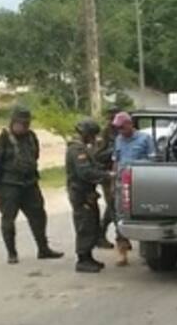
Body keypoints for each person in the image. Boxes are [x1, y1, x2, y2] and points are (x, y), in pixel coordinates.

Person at [0, 106, 64, 265]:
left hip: (29, 184)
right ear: (13, 122)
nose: (23, 126)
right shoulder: (1, 140)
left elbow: (35, 155)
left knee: (39, 216)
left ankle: (43, 248)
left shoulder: (31, 137)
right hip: (9, 186)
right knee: (8, 219)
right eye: (20, 123)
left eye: (26, 123)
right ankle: (12, 253)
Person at [110, 112, 156, 266]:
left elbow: (153, 160)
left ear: (130, 124)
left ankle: (147, 250)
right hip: (121, 184)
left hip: (140, 182)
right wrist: (113, 180)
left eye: (123, 127)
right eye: (118, 128)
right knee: (119, 216)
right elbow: (116, 161)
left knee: (143, 215)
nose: (121, 131)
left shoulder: (145, 139)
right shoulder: (118, 140)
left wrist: (136, 166)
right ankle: (122, 252)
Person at [66, 119, 111, 273]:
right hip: (81, 192)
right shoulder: (77, 150)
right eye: (92, 135)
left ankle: (88, 256)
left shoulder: (83, 148)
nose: (94, 139)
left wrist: (103, 169)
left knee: (92, 223)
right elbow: (85, 172)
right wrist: (106, 175)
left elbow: (92, 166)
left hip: (87, 192)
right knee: (85, 224)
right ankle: (82, 259)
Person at [95, 106, 122, 249]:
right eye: (112, 118)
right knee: (113, 206)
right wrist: (115, 151)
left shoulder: (123, 131)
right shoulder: (104, 134)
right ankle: (120, 239)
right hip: (108, 175)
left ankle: (101, 233)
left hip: (121, 173)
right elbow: (97, 156)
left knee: (114, 207)